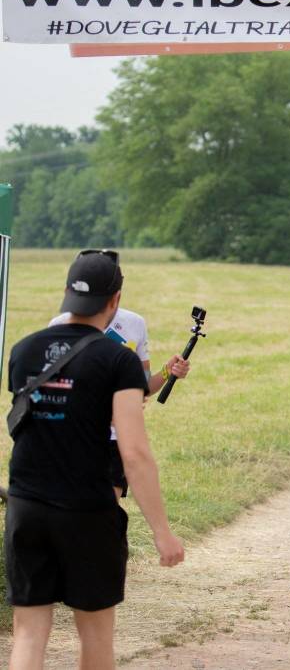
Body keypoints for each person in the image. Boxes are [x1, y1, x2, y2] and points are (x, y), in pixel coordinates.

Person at [5, 250, 185, 670]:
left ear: (67, 291)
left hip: (25, 506)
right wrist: (162, 532)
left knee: (29, 633)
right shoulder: (116, 359)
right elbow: (134, 451)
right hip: (86, 509)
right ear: (115, 299)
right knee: (95, 636)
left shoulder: (24, 350)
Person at [49, 275, 190, 499]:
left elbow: (141, 387)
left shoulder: (134, 323)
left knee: (106, 514)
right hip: (73, 433)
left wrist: (167, 372)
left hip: (115, 439)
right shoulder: (59, 324)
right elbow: (54, 390)